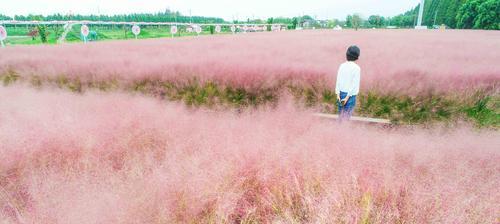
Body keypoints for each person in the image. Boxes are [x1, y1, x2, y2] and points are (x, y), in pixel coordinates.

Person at [335, 45, 361, 120]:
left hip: (340, 94)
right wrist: (347, 98)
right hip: (350, 97)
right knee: (346, 118)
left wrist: (337, 94)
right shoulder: (357, 68)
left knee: (341, 117)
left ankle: (338, 131)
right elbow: (353, 85)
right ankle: (343, 131)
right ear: (357, 57)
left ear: (347, 54)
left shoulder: (342, 66)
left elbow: (338, 80)